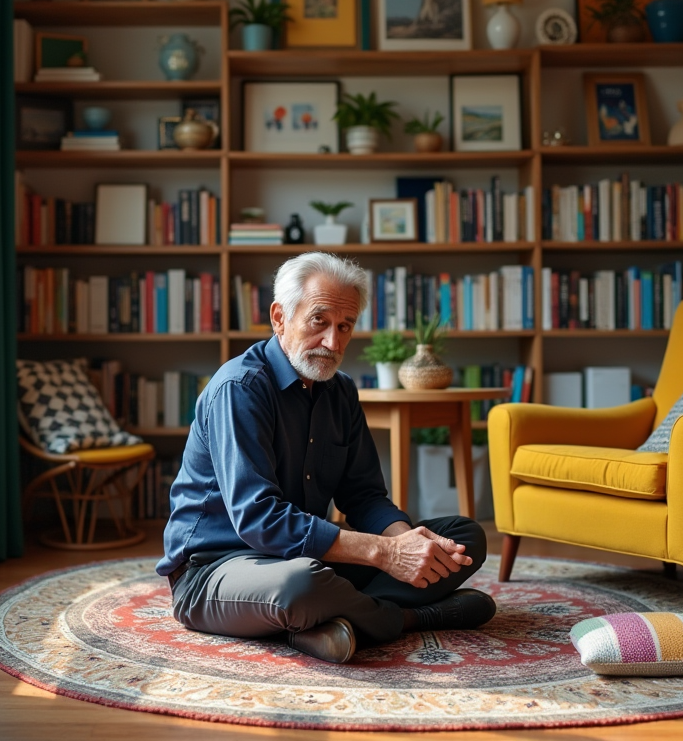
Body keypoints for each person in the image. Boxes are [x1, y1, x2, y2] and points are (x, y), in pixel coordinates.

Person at [157, 252, 495, 665]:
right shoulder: (239, 388)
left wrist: (405, 543)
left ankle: (336, 624)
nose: (333, 343)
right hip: (218, 570)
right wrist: (384, 556)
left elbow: (365, 496)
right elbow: (259, 519)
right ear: (280, 317)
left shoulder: (341, 392)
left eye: (345, 326)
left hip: (311, 557)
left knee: (463, 536)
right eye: (319, 321)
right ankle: (408, 618)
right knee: (302, 586)